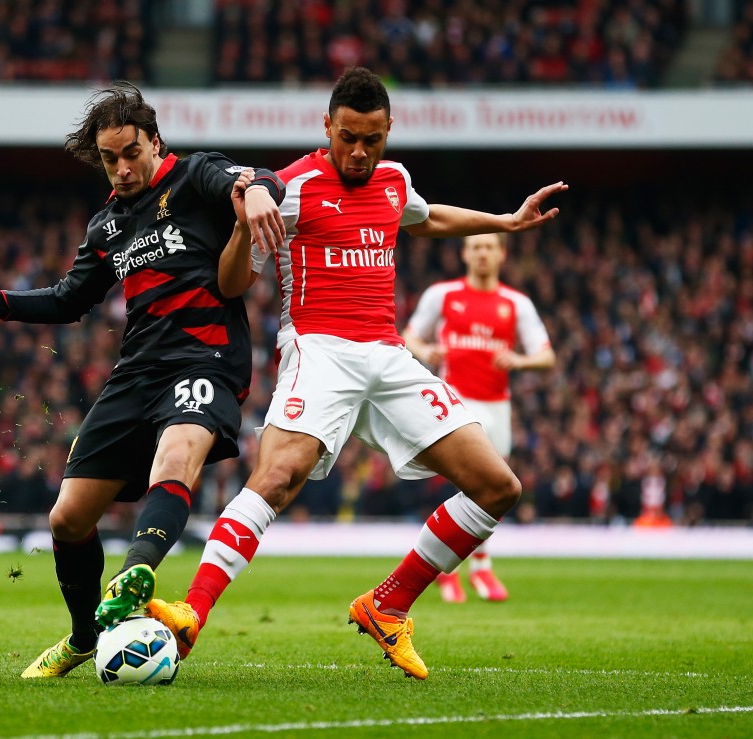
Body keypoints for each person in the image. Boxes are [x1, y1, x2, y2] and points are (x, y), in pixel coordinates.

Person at [145, 67, 567, 679]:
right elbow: (232, 282)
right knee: (279, 476)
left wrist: (504, 222)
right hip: (320, 349)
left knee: (498, 486)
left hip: (388, 356)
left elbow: (424, 217)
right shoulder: (290, 187)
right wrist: (242, 225)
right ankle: (192, 611)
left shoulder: (394, 181)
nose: (361, 152)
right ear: (328, 127)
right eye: (348, 138)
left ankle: (388, 605)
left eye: (373, 139)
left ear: (389, 131)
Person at [0, 82, 285, 678]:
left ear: (153, 142)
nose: (121, 168)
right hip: (136, 373)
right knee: (67, 519)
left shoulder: (194, 177)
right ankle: (85, 636)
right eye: (109, 159)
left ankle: (136, 571)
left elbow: (259, 177)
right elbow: (67, 301)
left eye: (130, 153)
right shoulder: (106, 227)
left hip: (205, 361)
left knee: (179, 450)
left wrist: (262, 194)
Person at [404, 232, 555, 603]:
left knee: (493, 489)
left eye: (489, 247)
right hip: (454, 401)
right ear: (465, 254)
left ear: (502, 254)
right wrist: (427, 350)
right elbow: (408, 336)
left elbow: (546, 356)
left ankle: (475, 566)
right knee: (467, 484)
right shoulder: (443, 295)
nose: (483, 253)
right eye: (476, 247)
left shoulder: (515, 303)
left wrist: (520, 360)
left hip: (497, 404)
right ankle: (456, 569)